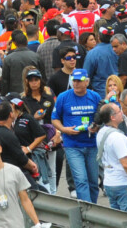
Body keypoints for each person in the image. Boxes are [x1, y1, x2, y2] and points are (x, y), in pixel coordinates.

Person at [51, 68, 101, 202]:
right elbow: (54, 119)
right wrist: (64, 129)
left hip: (92, 144)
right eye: (74, 80)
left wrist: (96, 127)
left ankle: (94, 208)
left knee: (93, 181)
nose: (76, 83)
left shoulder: (95, 97)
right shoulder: (63, 97)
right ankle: (86, 210)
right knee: (81, 180)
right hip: (72, 145)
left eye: (80, 81)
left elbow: (101, 118)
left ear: (87, 82)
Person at [96, 102, 127, 213]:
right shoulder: (117, 137)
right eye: (119, 111)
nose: (122, 113)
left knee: (117, 217)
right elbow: (126, 164)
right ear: (112, 117)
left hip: (110, 182)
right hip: (124, 184)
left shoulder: (101, 132)